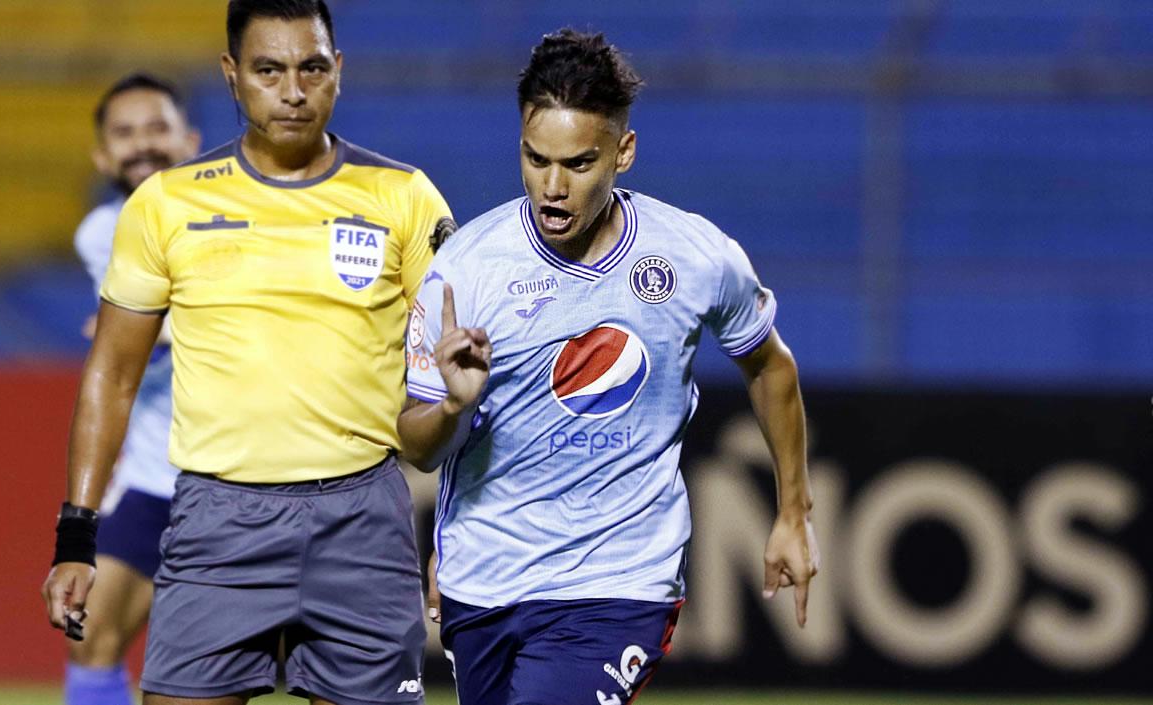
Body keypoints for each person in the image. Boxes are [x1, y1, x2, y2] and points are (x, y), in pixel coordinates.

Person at [41, 1, 455, 703]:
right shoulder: (167, 204)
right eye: (268, 70)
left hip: (363, 521)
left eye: (311, 67)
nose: (293, 90)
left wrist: (457, 533)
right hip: (214, 522)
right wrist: (77, 536)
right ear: (232, 76)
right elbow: (111, 375)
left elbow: (459, 376)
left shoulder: (404, 197)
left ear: (338, 71)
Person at [398, 29, 819, 705]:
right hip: (486, 579)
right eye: (537, 160)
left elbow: (771, 367)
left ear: (622, 152)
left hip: (619, 581)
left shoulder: (693, 257)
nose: (553, 187)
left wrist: (793, 513)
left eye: (578, 163)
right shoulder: (465, 270)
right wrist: (451, 406)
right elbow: (416, 447)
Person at [65, 72, 200, 705]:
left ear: (190, 141)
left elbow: (138, 332)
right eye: (124, 133)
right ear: (102, 155)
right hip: (153, 471)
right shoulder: (101, 232)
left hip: (237, 474)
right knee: (88, 631)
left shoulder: (238, 220)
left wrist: (138, 331)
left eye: (157, 128)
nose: (141, 144)